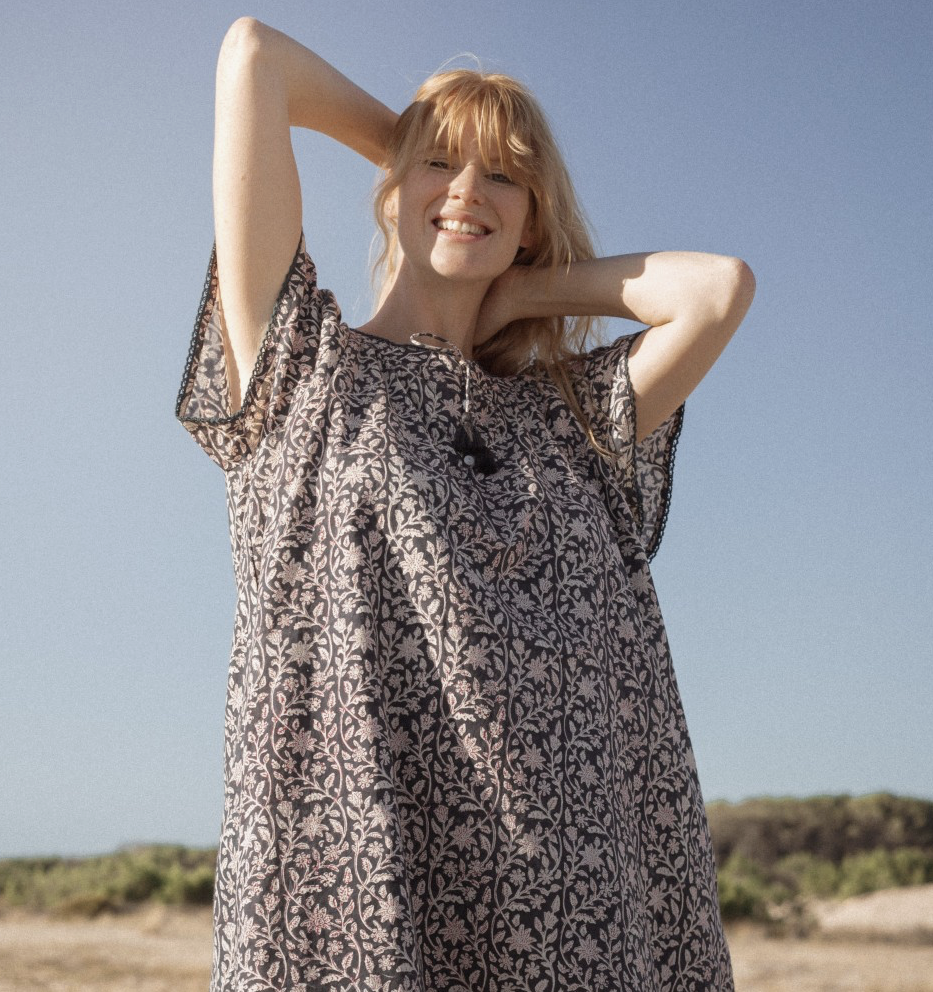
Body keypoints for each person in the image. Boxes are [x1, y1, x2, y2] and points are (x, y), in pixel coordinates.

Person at [176, 16, 755, 992]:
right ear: (389, 189)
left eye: (503, 177)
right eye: (441, 164)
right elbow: (254, 57)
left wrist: (522, 294)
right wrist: (417, 158)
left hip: (577, 916)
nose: (468, 190)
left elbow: (716, 289)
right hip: (361, 897)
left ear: (533, 220)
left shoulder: (569, 418)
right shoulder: (302, 369)